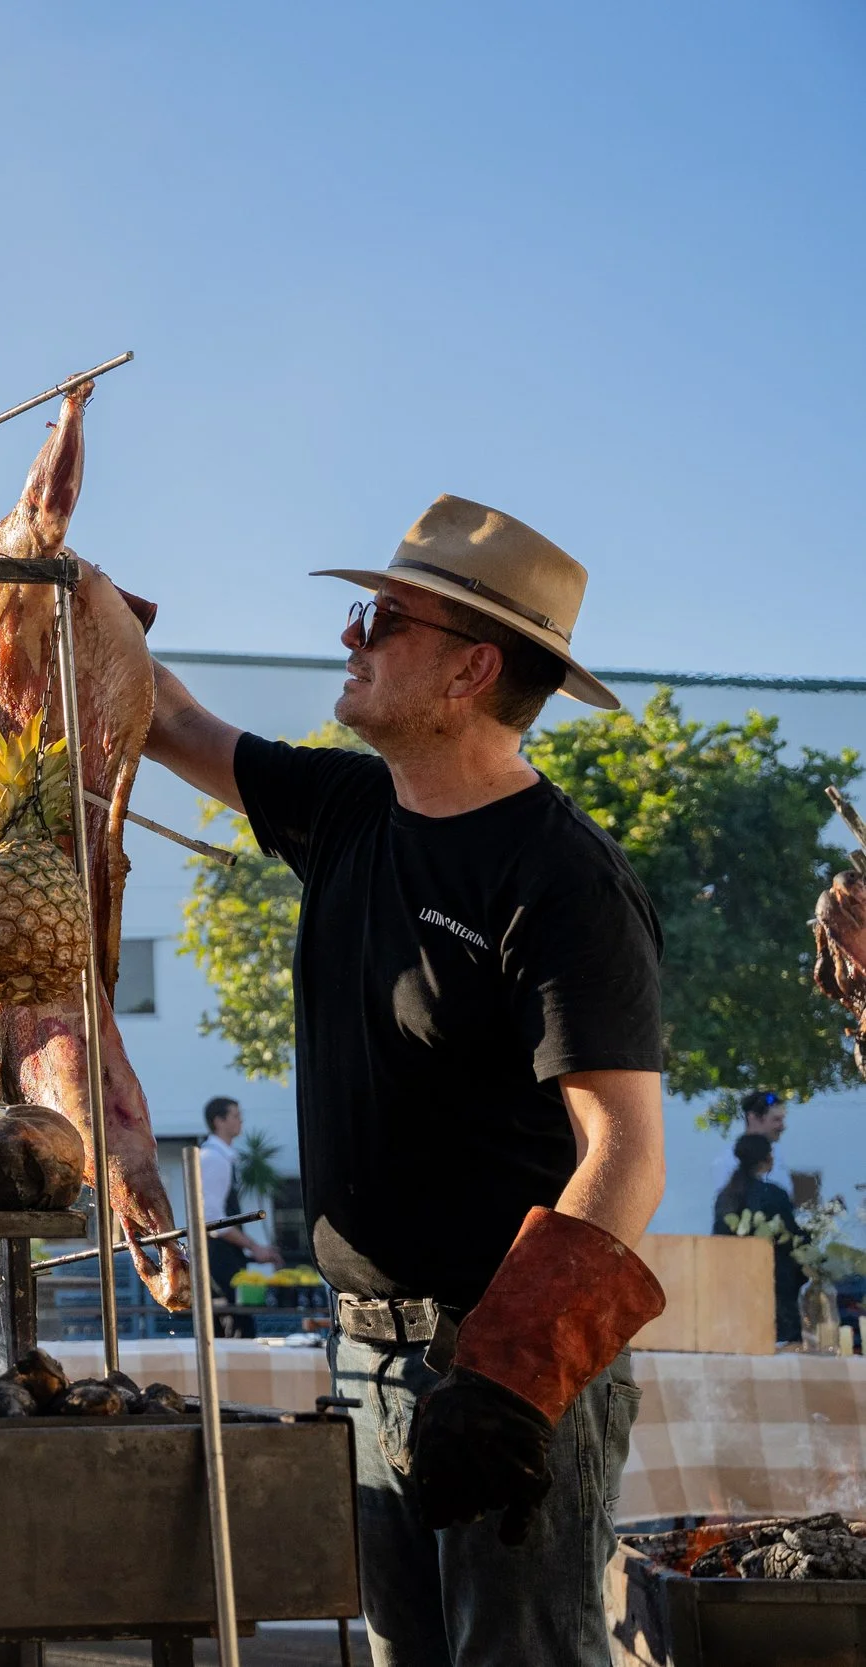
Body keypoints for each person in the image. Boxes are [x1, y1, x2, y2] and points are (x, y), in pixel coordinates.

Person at [145, 495, 668, 1666]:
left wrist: (511, 1377)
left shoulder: (561, 877)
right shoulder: (346, 811)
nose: (351, 635)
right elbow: (166, 717)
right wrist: (54, 582)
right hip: (365, 1355)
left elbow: (627, 1150)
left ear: (471, 670)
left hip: (500, 1361)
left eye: (383, 618)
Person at [713, 1131, 802, 1343]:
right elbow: (791, 1240)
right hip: (773, 1288)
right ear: (767, 1158)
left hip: (734, 1287)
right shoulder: (773, 1194)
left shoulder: (726, 1196)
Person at [198, 1096, 283, 1303]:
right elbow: (213, 1221)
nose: (241, 1121)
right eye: (235, 1116)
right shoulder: (213, 1158)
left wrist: (251, 1252)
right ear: (219, 1121)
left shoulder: (222, 1156)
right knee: (232, 1318)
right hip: (218, 1263)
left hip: (226, 1259)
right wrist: (255, 1247)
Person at [708, 1088, 787, 1198]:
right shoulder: (727, 1163)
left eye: (782, 1120)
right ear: (752, 1118)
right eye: (776, 1120)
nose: (783, 1127)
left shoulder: (778, 1158)